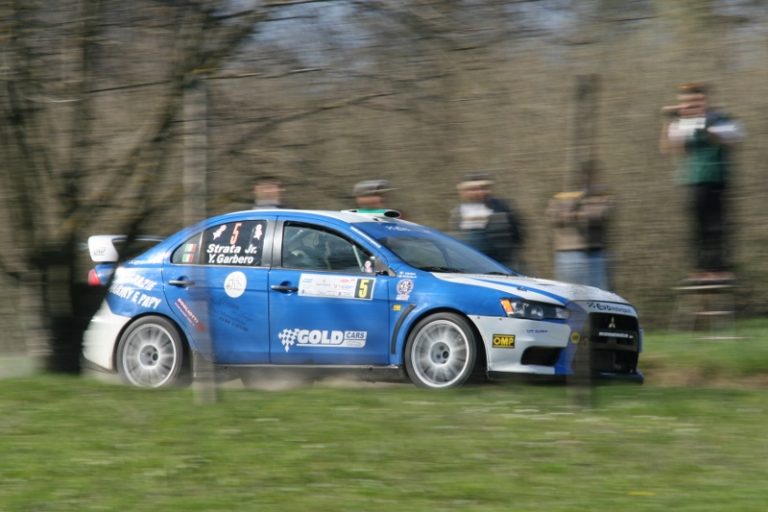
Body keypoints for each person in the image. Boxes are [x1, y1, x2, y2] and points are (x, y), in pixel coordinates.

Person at [660, 83, 743, 282]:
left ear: (704, 100)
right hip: (692, 179)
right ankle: (701, 269)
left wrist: (705, 123)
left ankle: (719, 268)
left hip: (715, 177)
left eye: (694, 101)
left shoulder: (719, 117)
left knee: (716, 225)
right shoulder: (684, 123)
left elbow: (733, 139)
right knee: (696, 228)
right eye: (686, 102)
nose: (690, 105)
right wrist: (669, 122)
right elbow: (670, 148)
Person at [546, 160, 613, 289]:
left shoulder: (600, 194)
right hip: (567, 254)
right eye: (582, 174)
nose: (585, 177)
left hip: (594, 254)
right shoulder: (563, 194)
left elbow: (601, 214)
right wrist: (571, 212)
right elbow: (552, 215)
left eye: (589, 174)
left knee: (598, 295)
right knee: (568, 295)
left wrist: (576, 215)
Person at [449, 172, 525, 270]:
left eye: (483, 188)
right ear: (463, 192)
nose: (479, 192)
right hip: (472, 267)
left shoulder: (502, 207)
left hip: (505, 265)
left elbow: (518, 233)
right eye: (473, 189)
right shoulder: (458, 214)